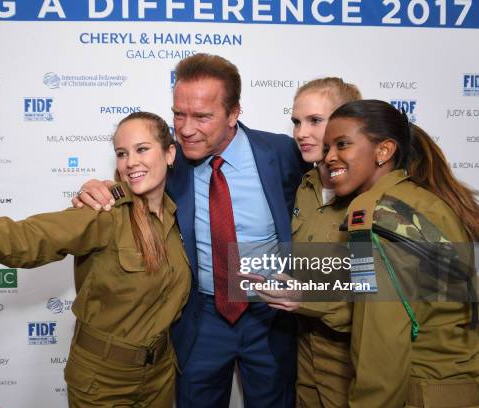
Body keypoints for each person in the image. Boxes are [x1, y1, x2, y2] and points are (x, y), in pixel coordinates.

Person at [0, 111, 192, 407]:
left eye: (141, 149)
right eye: (122, 153)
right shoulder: (105, 214)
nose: (130, 162)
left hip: (160, 375)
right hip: (104, 379)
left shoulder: (180, 215)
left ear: (169, 154)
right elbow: (25, 239)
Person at [73, 53, 307, 407]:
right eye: (178, 114)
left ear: (233, 113)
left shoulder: (281, 152)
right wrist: (102, 189)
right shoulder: (169, 159)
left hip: (271, 317)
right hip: (201, 318)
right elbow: (133, 179)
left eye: (202, 116)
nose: (185, 128)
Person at [323, 100, 478, 407]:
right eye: (328, 147)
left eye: (342, 144)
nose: (328, 157)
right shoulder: (428, 198)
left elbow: (381, 347)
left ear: (384, 151)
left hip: (418, 391)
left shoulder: (377, 214)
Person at [289, 78, 361, 408]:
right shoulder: (303, 185)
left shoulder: (370, 194)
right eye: (297, 122)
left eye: (315, 121)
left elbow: (385, 295)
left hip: (350, 353)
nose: (302, 132)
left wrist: (307, 298)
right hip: (304, 345)